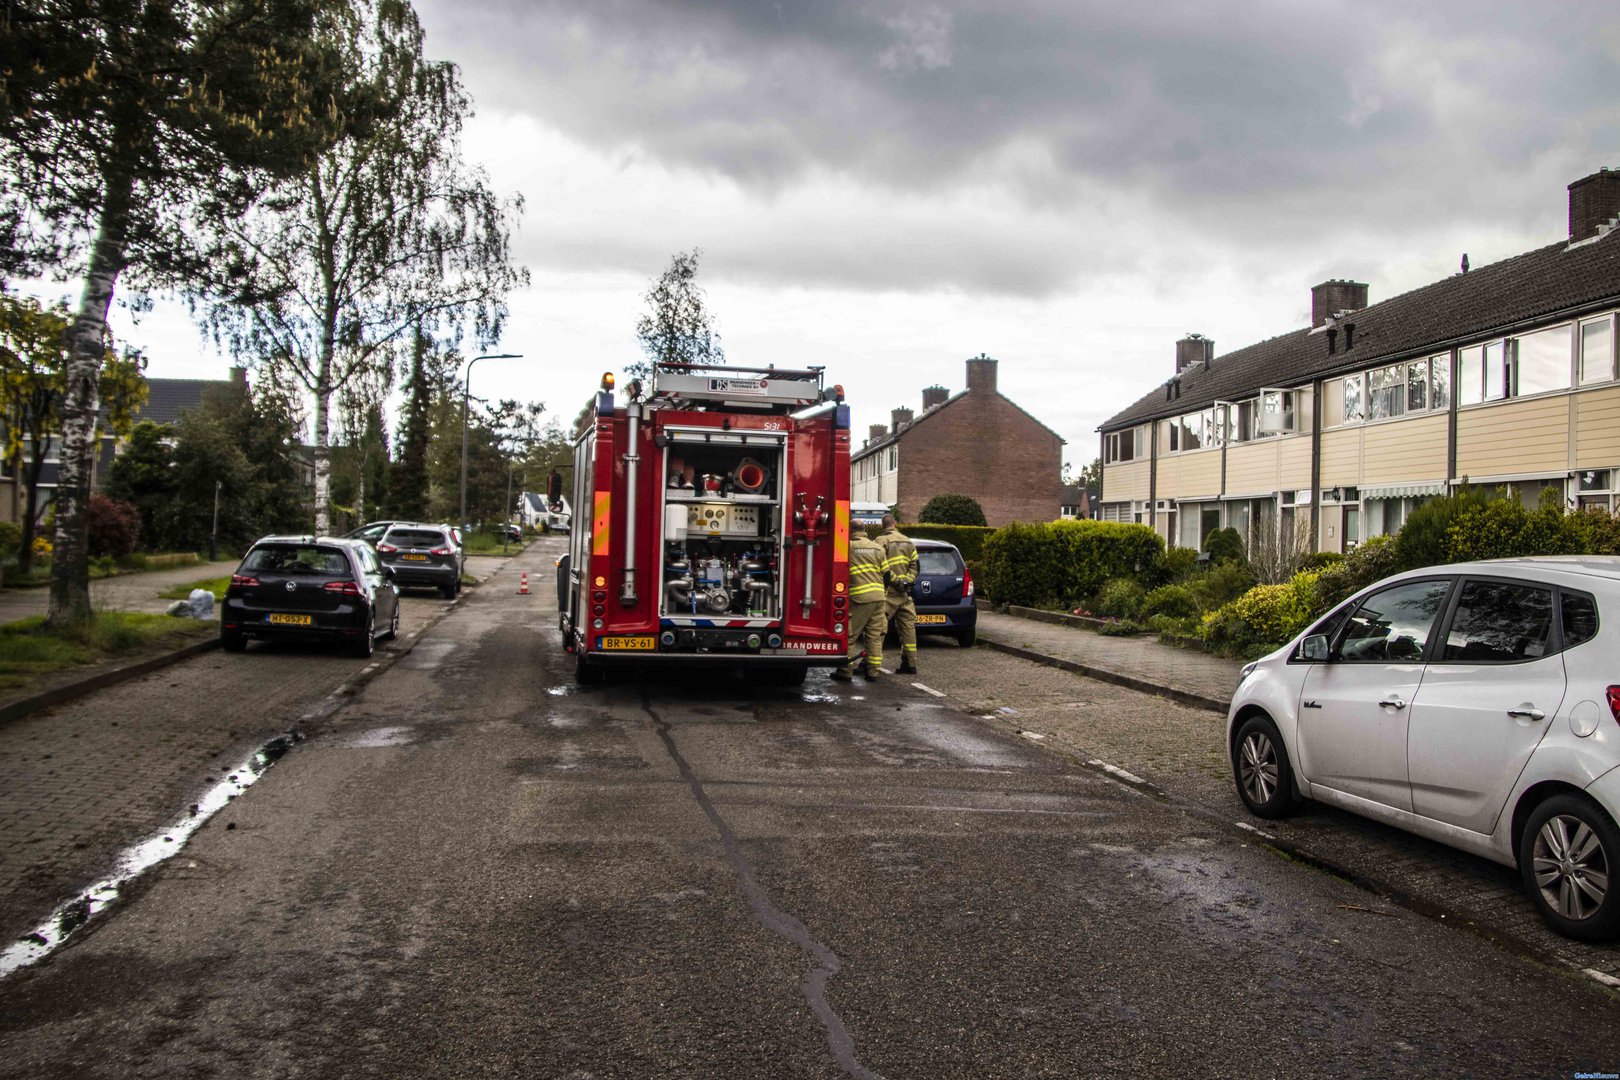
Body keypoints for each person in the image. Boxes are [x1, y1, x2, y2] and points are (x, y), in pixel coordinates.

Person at [833, 529, 887, 681]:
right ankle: (873, 673)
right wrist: (883, 592)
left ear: (851, 531)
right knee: (874, 637)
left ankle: (845, 671)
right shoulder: (877, 547)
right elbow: (887, 574)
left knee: (850, 636)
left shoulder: (848, 546)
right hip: (879, 597)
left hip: (860, 598)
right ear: (864, 531)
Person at [877, 513, 919, 674]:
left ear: (882, 526)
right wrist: (907, 581)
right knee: (908, 629)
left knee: (878, 629)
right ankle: (910, 664)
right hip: (905, 595)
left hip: (888, 594)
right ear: (895, 523)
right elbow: (915, 566)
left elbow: (882, 567)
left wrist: (896, 581)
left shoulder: (880, 541)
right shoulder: (908, 541)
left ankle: (870, 664)